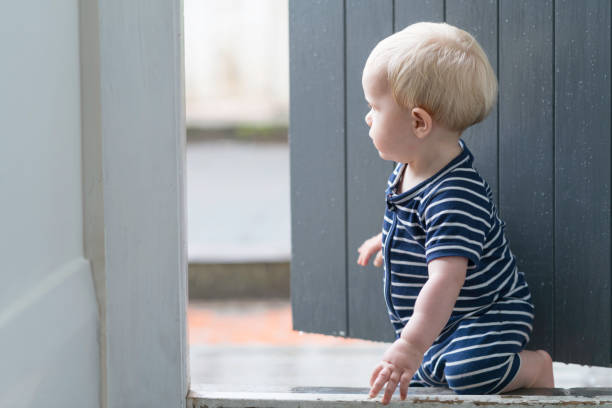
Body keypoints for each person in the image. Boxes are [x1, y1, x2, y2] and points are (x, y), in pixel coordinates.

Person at [355, 21, 554, 404]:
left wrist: (411, 344)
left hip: (488, 313)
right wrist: (390, 238)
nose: (367, 118)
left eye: (374, 108)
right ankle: (431, 350)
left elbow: (446, 279)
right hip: (450, 321)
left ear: (418, 122)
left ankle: (535, 366)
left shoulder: (453, 194)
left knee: (468, 372)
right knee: (433, 369)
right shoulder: (411, 167)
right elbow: (424, 228)